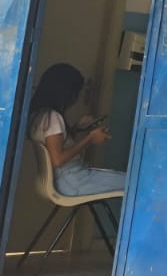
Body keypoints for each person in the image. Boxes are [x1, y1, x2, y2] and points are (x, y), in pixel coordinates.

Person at [27, 63, 124, 240]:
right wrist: (89, 139)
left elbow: (55, 145)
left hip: (64, 181)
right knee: (134, 184)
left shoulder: (39, 115)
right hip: (72, 182)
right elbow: (57, 159)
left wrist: (78, 129)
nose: (76, 98)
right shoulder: (54, 118)